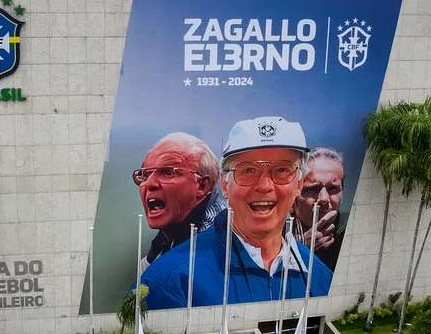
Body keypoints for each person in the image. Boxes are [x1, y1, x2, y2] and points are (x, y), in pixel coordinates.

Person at [143, 116, 333, 309]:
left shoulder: (319, 276)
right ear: (225, 184)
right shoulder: (169, 281)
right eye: (248, 170)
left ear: (299, 184)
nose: (264, 186)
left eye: (282, 170)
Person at [133, 132, 225, 268]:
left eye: (168, 172)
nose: (149, 183)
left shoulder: (216, 248)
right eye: (145, 175)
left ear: (202, 185)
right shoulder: (168, 237)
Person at [292, 147, 345, 271]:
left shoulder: (352, 238)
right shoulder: (268, 238)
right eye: (313, 189)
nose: (324, 198)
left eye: (333, 189)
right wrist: (300, 249)